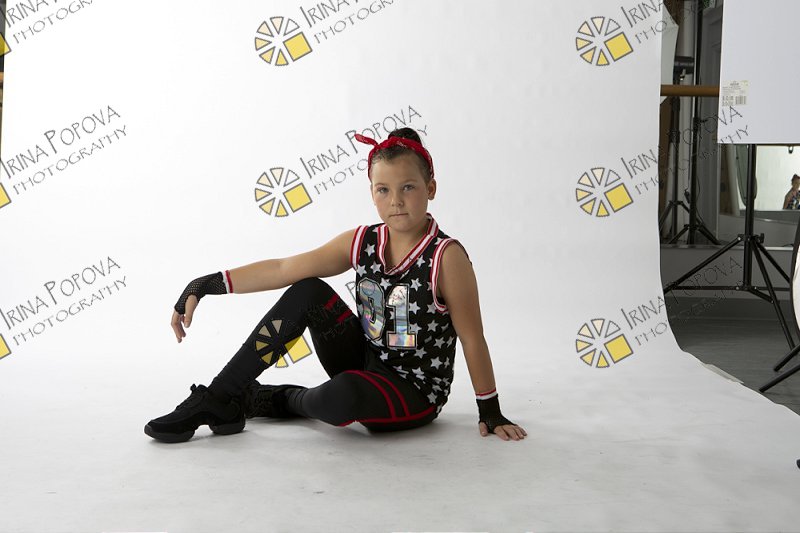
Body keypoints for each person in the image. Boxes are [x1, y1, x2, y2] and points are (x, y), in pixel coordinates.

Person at [144, 127, 527, 443]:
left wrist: (490, 411)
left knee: (344, 394)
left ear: (431, 188)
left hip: (415, 390)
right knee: (307, 290)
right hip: (366, 360)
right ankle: (220, 398)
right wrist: (205, 285)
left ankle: (279, 400)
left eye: (408, 187)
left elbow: (472, 338)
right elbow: (284, 268)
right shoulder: (362, 241)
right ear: (372, 193)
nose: (396, 201)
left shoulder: (446, 257)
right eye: (383, 189)